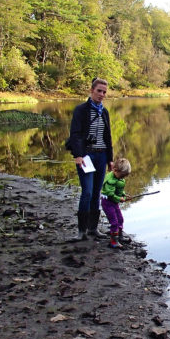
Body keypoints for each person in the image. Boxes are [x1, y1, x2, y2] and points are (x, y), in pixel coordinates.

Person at [67, 78, 113, 241]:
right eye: (99, 91)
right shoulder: (81, 110)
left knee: (96, 193)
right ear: (91, 90)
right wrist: (78, 155)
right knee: (86, 192)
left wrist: (110, 159)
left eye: (104, 92)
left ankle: (93, 229)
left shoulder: (104, 112)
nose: (102, 94)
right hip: (86, 155)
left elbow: (107, 136)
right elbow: (75, 134)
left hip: (101, 155)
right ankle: (81, 231)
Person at [100, 157, 131, 249]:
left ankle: (120, 236)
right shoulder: (110, 180)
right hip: (107, 203)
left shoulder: (117, 177)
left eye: (124, 176)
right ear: (115, 170)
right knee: (114, 222)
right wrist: (119, 199)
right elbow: (110, 194)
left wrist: (124, 195)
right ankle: (113, 241)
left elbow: (118, 189)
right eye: (122, 176)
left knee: (120, 219)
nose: (123, 178)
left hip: (114, 202)